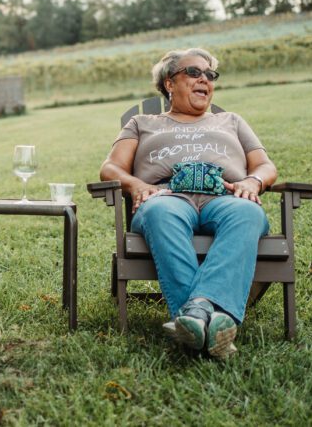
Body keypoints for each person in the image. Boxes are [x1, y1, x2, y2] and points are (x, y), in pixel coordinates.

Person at [99, 48, 277, 359]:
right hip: (166, 196)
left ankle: (195, 316)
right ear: (169, 83)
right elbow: (110, 168)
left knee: (249, 213)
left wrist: (253, 182)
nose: (204, 80)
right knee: (160, 213)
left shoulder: (231, 122)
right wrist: (138, 186)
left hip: (225, 197)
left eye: (210, 75)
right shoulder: (142, 123)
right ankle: (216, 322)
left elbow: (265, 166)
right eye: (194, 72)